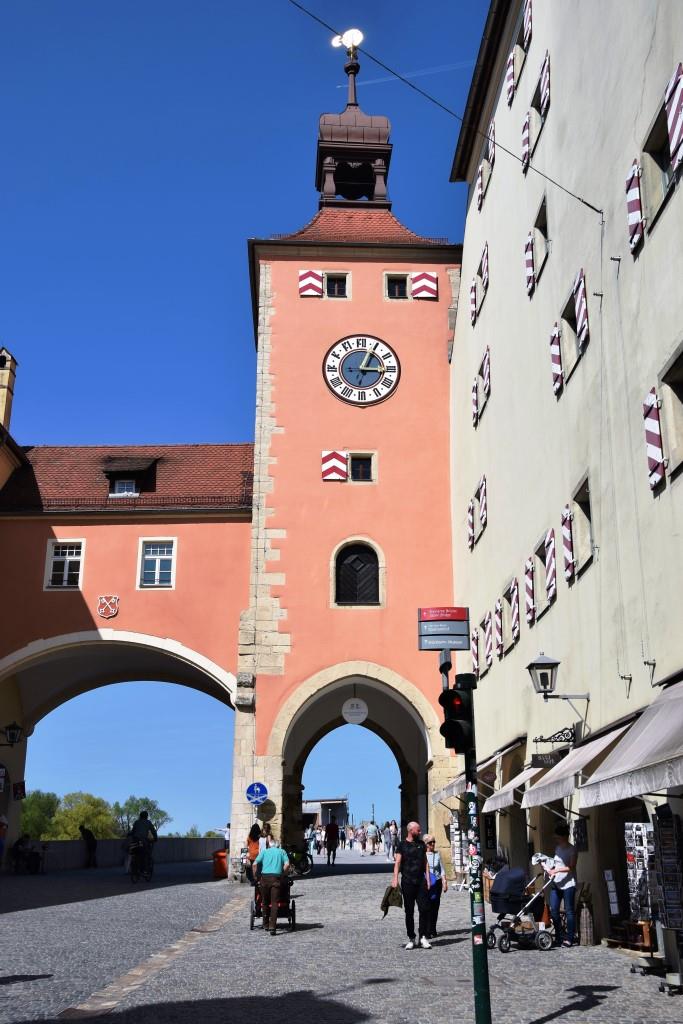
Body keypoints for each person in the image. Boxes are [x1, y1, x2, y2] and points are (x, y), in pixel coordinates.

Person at [392, 820, 432, 950]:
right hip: (408, 881)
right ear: (411, 831)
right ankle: (411, 938)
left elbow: (426, 862)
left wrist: (428, 879)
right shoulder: (402, 845)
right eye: (418, 830)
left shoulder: (422, 844)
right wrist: (395, 879)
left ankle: (423, 937)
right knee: (409, 911)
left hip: (421, 881)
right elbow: (397, 863)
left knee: (424, 909)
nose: (420, 832)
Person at [548, 822, 578, 947]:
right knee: (554, 910)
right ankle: (559, 936)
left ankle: (569, 938)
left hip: (568, 884)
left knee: (569, 910)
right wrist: (549, 868)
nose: (556, 839)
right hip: (556, 882)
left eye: (558, 837)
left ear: (564, 837)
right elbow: (556, 864)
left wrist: (557, 870)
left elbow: (571, 867)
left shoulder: (572, 849)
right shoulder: (558, 848)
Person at [253, 841, 290, 935]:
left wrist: (256, 877)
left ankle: (265, 924)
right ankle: (272, 926)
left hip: (264, 878)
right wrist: (283, 874)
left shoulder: (264, 852)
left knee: (264, 901)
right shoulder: (282, 852)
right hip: (276, 878)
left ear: (269, 845)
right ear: (278, 846)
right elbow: (287, 865)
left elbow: (254, 864)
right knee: (274, 903)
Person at [424, 834, 447, 939]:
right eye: (430, 842)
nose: (432, 844)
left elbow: (442, 869)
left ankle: (433, 928)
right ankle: (427, 930)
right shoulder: (422, 855)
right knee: (427, 906)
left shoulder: (437, 854)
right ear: (426, 844)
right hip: (426, 883)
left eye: (434, 842)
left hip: (436, 882)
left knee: (435, 906)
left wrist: (444, 882)